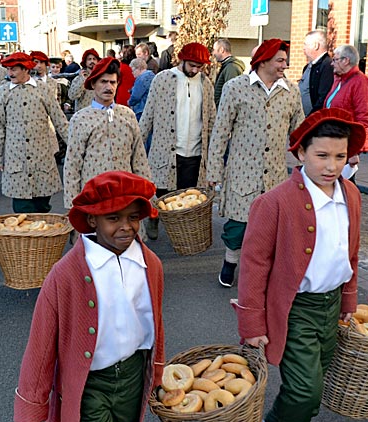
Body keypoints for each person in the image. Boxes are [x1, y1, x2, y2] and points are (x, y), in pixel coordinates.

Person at [13, 171, 165, 422]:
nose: (126, 227)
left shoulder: (149, 263)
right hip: (90, 384)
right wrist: (32, 403)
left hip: (132, 374)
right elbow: (41, 341)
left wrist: (156, 374)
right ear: (92, 219)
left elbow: (155, 325)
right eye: (113, 218)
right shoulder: (65, 275)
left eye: (133, 218)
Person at [234, 107, 363, 422]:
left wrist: (349, 302)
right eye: (322, 155)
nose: (332, 166)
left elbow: (350, 254)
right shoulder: (275, 202)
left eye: (340, 156)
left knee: (314, 381)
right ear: (301, 152)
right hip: (295, 308)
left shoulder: (351, 195)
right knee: (306, 388)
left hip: (330, 304)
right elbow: (254, 265)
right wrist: (252, 323)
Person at [207, 38, 304, 287]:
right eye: (280, 60)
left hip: (275, 174)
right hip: (242, 171)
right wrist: (214, 169)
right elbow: (220, 131)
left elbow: (300, 132)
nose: (286, 64)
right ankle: (230, 262)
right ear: (264, 61)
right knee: (238, 226)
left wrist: (307, 162)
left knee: (271, 227)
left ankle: (263, 272)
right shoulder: (235, 87)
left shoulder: (291, 91)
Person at [139, 42, 216, 240]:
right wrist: (137, 144)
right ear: (182, 60)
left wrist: (215, 152)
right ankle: (154, 218)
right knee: (161, 191)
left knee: (188, 195)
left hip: (195, 150)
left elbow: (211, 119)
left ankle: (183, 234)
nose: (195, 70)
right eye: (192, 65)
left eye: (199, 67)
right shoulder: (162, 79)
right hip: (166, 149)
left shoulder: (206, 84)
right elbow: (148, 114)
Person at [63, 57, 150, 208]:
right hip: (94, 197)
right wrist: (73, 205)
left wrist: (146, 196)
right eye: (103, 82)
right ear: (93, 84)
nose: (108, 87)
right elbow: (72, 164)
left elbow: (139, 159)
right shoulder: (80, 118)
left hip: (126, 196)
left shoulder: (127, 115)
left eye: (113, 82)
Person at [0, 52, 69, 213]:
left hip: (42, 155)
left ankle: (42, 237)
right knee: (22, 208)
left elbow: (59, 120)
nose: (9, 73)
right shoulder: (3, 91)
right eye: (8, 69)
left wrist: (75, 146)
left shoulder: (43, 89)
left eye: (14, 69)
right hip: (16, 157)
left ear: (26, 69)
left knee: (42, 205)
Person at [324, 44, 368, 160]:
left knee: (345, 177)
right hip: (334, 139)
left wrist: (354, 150)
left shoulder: (361, 83)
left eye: (335, 59)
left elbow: (364, 119)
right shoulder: (339, 80)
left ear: (346, 61)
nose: (332, 63)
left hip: (346, 144)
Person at [298, 30, 334, 115]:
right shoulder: (308, 67)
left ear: (316, 46)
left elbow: (323, 97)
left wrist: (312, 118)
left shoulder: (327, 66)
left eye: (305, 44)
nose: (303, 48)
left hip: (313, 121)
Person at [212, 38, 245, 107]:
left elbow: (231, 94)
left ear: (221, 50)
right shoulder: (227, 66)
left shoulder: (231, 68)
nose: (213, 53)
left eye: (214, 50)